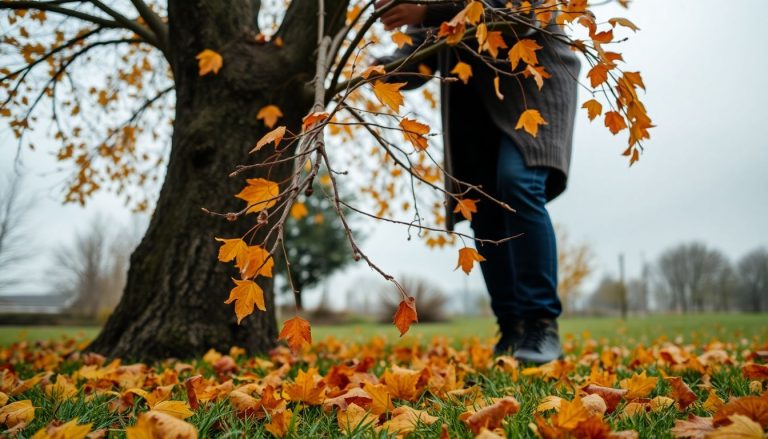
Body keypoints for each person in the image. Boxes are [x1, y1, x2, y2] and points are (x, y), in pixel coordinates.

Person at [374, 1, 580, 364]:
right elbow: (417, 60)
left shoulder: (429, 7)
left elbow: (520, 16)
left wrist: (423, 13)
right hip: (473, 108)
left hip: (533, 89)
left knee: (518, 184)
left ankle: (541, 323)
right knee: (482, 206)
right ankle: (511, 326)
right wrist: (374, 70)